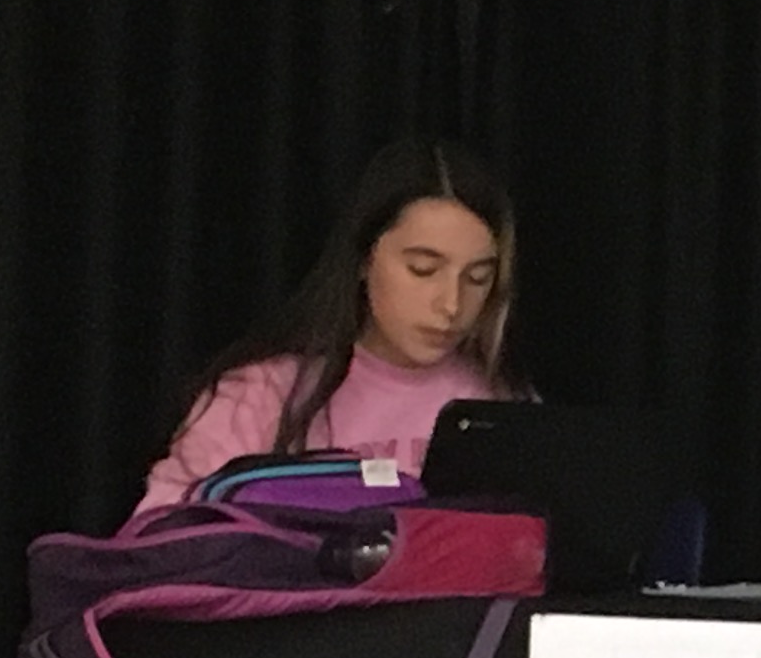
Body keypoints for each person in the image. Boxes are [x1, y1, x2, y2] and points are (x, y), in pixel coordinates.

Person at [130, 136, 528, 522]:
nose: (452, 304)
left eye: (477, 278)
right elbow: (159, 536)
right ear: (363, 260)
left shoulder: (500, 405)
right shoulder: (262, 396)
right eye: (422, 269)